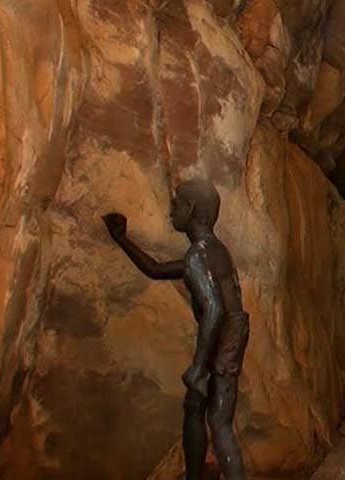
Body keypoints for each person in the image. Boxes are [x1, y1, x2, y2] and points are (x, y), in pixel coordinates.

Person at [103, 179, 248, 480]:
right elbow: (156, 269)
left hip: (222, 334)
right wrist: (122, 239)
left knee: (216, 420)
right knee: (199, 408)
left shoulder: (198, 255)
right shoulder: (213, 250)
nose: (171, 211)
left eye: (176, 204)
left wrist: (198, 367)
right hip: (232, 332)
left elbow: (214, 309)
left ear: (191, 209)